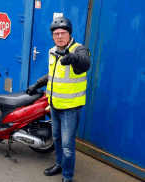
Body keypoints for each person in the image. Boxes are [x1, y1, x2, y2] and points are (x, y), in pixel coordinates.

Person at [26, 17, 91, 182]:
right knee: (57, 139)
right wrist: (37, 84)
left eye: (63, 33)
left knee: (68, 147)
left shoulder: (79, 49)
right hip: (54, 104)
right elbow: (53, 75)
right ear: (53, 36)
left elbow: (84, 64)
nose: (60, 36)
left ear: (69, 34)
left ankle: (67, 177)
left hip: (71, 107)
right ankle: (59, 165)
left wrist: (73, 59)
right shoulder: (52, 51)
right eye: (56, 34)